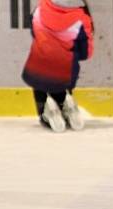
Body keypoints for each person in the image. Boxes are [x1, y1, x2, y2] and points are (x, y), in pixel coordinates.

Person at [21, 0, 94, 133]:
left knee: (40, 73)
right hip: (67, 69)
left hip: (40, 65)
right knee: (62, 70)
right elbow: (86, 52)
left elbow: (34, 31)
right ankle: (65, 102)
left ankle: (45, 110)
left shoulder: (40, 9)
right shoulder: (82, 17)